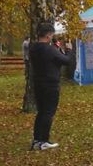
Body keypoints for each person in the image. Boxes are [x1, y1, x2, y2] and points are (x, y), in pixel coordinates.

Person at [30, 22, 73, 150]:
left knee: (41, 112)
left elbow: (51, 59)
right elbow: (66, 60)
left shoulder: (33, 48)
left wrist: (56, 49)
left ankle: (37, 140)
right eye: (52, 35)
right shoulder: (49, 49)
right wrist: (69, 50)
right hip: (50, 84)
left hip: (38, 83)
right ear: (48, 35)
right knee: (48, 112)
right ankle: (44, 140)